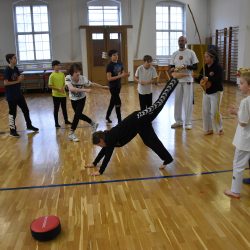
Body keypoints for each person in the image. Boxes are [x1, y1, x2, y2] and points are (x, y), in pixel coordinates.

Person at [85, 77, 179, 176]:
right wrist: (94, 163)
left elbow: (107, 155)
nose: (100, 147)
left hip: (140, 117)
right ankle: (167, 159)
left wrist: (100, 171)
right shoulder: (106, 140)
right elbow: (104, 150)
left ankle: (174, 80)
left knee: (158, 103)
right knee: (149, 141)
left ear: (101, 140)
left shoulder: (110, 138)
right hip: (138, 126)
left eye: (99, 145)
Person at [65, 63, 108, 142]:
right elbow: (71, 89)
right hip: (73, 99)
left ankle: (71, 133)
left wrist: (102, 87)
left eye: (79, 71)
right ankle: (93, 124)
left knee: (77, 114)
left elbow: (92, 84)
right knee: (79, 115)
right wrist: (85, 90)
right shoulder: (68, 78)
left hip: (81, 99)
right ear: (71, 73)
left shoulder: (83, 79)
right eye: (76, 72)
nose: (78, 73)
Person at [224, 72, 250, 198]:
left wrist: (237, 114)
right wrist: (239, 111)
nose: (239, 86)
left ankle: (235, 191)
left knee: (238, 164)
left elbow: (244, 123)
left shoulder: (246, 102)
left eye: (241, 83)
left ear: (249, 86)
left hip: (245, 140)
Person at [3, 54, 39, 137]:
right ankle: (12, 130)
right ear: (10, 60)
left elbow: (18, 77)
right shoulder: (7, 70)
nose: (16, 59)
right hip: (11, 96)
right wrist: (17, 81)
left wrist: (21, 77)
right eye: (14, 58)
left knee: (26, 110)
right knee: (12, 113)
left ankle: (29, 125)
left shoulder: (15, 68)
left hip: (18, 94)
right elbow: (5, 83)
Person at [170, 36, 199, 130]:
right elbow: (170, 67)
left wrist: (186, 67)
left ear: (186, 42)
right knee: (177, 101)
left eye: (182, 40)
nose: (180, 42)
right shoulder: (175, 53)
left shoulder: (191, 53)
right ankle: (178, 121)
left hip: (187, 80)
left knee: (188, 101)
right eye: (179, 40)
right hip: (177, 80)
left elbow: (195, 67)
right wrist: (172, 69)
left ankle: (188, 122)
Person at [197, 49, 224, 135]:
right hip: (206, 92)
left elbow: (219, 79)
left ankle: (220, 128)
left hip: (216, 92)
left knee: (214, 111)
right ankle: (209, 129)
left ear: (212, 58)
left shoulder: (218, 67)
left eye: (207, 56)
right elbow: (199, 78)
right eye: (204, 56)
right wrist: (197, 78)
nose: (205, 58)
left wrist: (209, 78)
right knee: (205, 111)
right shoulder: (205, 67)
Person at [105, 49, 130, 124]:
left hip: (119, 86)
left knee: (112, 102)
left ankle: (107, 116)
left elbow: (122, 73)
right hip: (113, 87)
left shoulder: (120, 63)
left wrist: (126, 75)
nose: (116, 56)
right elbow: (109, 78)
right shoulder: (109, 66)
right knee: (118, 102)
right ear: (111, 56)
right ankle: (119, 120)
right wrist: (121, 76)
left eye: (117, 55)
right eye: (114, 55)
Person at [48, 60, 71, 128]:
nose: (58, 66)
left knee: (64, 108)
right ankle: (56, 123)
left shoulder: (62, 74)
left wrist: (63, 87)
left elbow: (64, 83)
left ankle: (66, 120)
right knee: (56, 109)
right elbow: (50, 85)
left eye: (59, 65)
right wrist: (58, 89)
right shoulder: (51, 76)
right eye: (56, 65)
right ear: (53, 67)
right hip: (56, 95)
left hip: (63, 94)